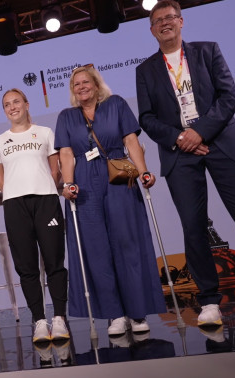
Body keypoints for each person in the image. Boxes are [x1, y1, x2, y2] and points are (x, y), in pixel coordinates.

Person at [136, 0, 235, 324]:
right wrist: (181, 138)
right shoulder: (145, 70)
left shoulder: (208, 51)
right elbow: (146, 118)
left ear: (181, 22)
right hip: (179, 154)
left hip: (223, 144)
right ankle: (209, 301)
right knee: (193, 229)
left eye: (170, 17)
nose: (165, 23)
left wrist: (198, 132)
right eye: (158, 20)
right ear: (152, 29)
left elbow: (229, 96)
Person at [55, 65, 166, 336]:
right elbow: (67, 154)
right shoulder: (67, 117)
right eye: (76, 84)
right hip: (85, 184)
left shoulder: (116, 104)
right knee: (96, 249)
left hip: (118, 178)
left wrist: (144, 172)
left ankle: (137, 313)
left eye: (85, 82)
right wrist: (68, 184)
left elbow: (130, 140)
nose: (81, 87)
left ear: (95, 84)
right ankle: (114, 314)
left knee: (127, 243)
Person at [0, 88, 69, 342]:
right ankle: (39, 320)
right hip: (15, 205)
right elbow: (0, 177)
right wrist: (15, 191)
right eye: (6, 105)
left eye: (16, 102)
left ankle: (59, 318)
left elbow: (54, 170)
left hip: (46, 200)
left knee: (54, 261)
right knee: (26, 266)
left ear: (26, 104)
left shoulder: (44, 133)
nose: (12, 107)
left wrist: (44, 187)